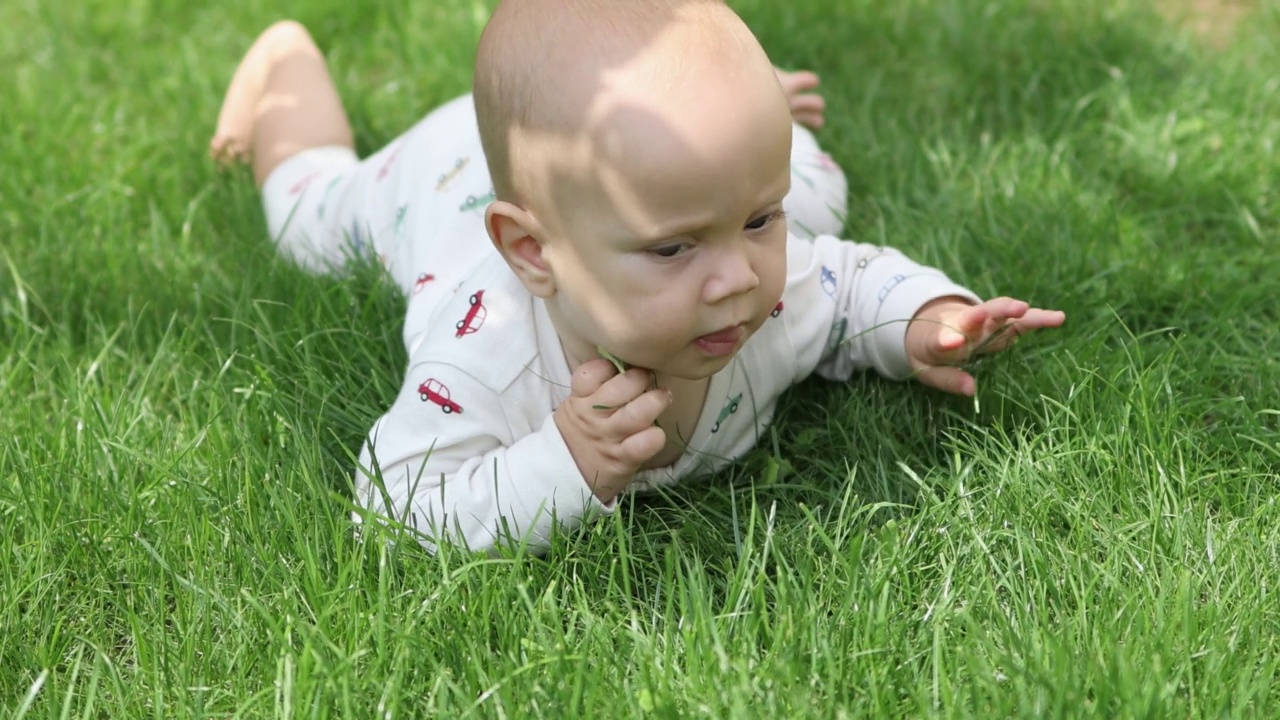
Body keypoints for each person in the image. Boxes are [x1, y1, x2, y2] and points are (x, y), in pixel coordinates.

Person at [210, 0, 1065, 554]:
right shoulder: (492, 357)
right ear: (534, 255)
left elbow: (847, 289)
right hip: (432, 183)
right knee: (305, 219)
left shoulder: (766, 286)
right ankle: (281, 63)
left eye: (755, 223)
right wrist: (564, 463)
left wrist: (920, 320)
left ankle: (746, 120)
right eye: (673, 250)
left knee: (816, 199)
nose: (737, 280)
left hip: (641, 172)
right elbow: (391, 510)